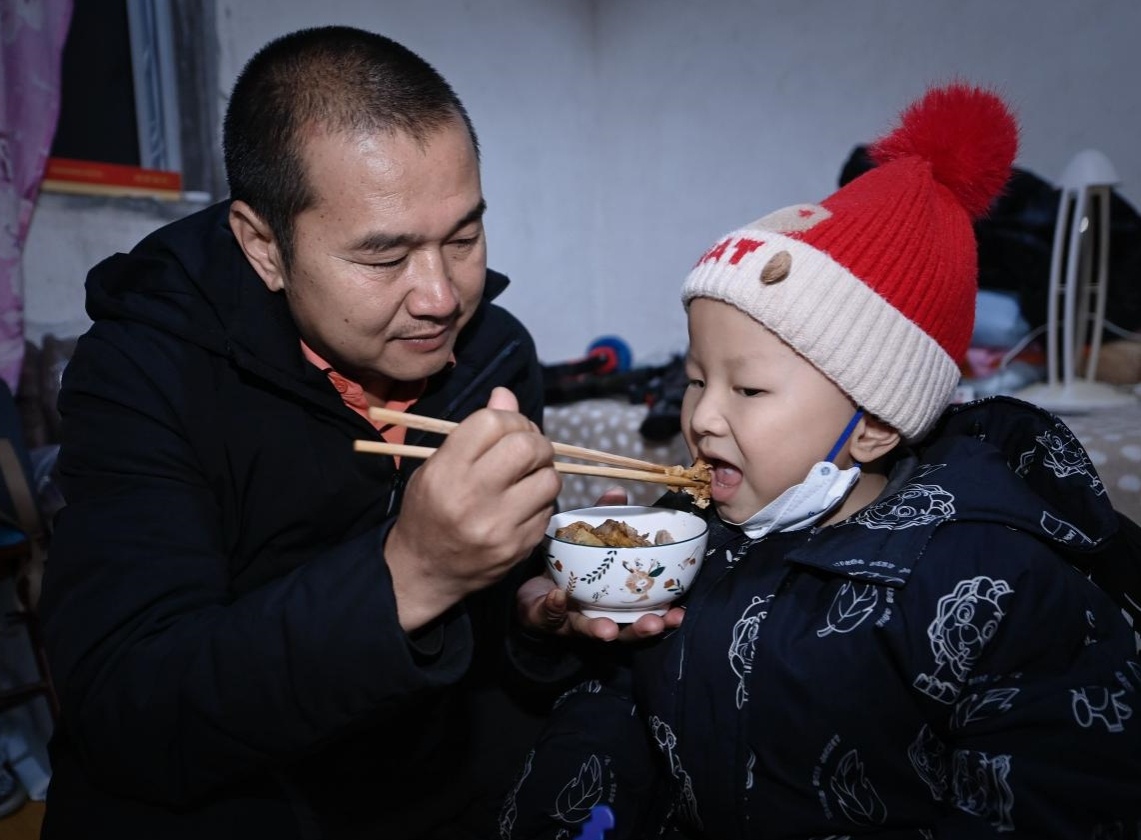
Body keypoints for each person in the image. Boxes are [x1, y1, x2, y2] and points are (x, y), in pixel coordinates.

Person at [500, 83, 1141, 838]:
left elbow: (1058, 796)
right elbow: (609, 709)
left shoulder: (990, 578)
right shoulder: (685, 535)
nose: (701, 417)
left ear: (873, 426)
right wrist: (572, 627)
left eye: (747, 388)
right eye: (696, 380)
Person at [37, 25, 570, 839]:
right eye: (385, 258)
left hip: (434, 785)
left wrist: (534, 615)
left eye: (463, 238)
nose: (441, 297)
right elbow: (129, 708)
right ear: (264, 247)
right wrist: (411, 572)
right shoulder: (146, 373)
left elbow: (489, 636)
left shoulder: (493, 354)